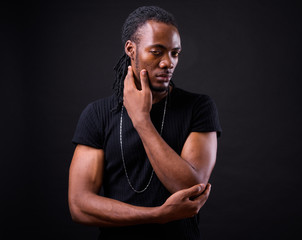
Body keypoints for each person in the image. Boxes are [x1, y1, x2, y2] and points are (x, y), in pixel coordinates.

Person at [68, 6, 221, 240]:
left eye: (174, 53)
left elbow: (190, 189)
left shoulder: (198, 107)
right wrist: (157, 215)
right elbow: (79, 206)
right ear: (131, 49)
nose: (168, 63)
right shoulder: (98, 114)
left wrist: (141, 120)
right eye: (157, 52)